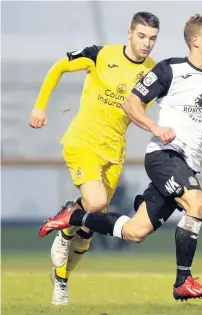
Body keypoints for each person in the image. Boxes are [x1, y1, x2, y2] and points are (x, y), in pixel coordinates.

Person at [39, 13, 202, 301]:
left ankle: (73, 216)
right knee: (197, 202)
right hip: (149, 153)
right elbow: (130, 102)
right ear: (195, 40)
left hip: (146, 157)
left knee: (135, 231)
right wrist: (155, 128)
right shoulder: (157, 67)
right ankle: (182, 281)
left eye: (153, 38)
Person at [29, 11, 160, 305]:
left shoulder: (153, 73)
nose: (146, 43)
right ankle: (65, 229)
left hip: (114, 153)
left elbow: (146, 109)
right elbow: (59, 67)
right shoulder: (100, 55)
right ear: (129, 32)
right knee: (97, 203)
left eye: (152, 39)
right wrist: (39, 107)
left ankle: (61, 280)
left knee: (88, 229)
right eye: (141, 36)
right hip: (83, 142)